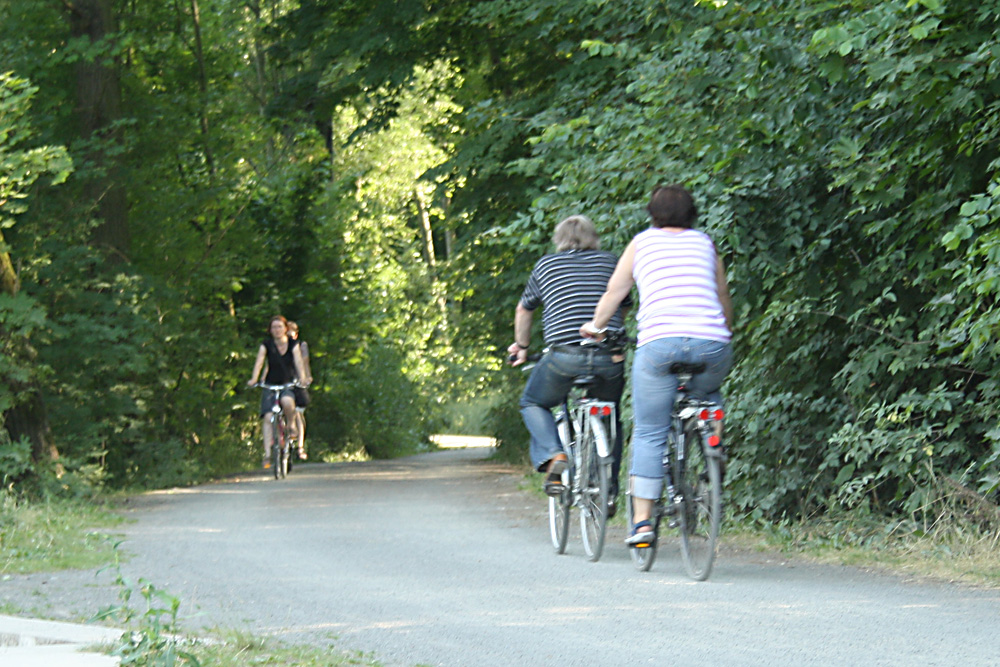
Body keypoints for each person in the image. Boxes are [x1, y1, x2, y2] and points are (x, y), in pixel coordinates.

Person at [581, 184, 733, 545]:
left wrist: (595, 327)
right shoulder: (706, 244)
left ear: (652, 213)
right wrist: (724, 329)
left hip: (659, 347)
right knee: (708, 392)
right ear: (693, 213)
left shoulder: (641, 244)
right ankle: (713, 440)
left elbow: (614, 293)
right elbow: (722, 295)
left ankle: (643, 524)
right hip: (712, 345)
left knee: (650, 431)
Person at [508, 215, 631, 512]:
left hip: (563, 356)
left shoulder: (546, 265)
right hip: (607, 356)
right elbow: (623, 305)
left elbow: (525, 309)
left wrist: (522, 347)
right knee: (610, 415)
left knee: (533, 403)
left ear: (558, 239)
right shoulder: (611, 262)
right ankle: (608, 492)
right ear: (594, 237)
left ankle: (555, 454)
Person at [247, 316, 310, 469]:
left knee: (288, 402)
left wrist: (302, 378)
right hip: (270, 384)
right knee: (268, 418)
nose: (276, 330)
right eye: (273, 327)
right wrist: (254, 379)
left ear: (285, 329)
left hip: (287, 382)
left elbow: (298, 362)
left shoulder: (293, 344)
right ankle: (268, 454)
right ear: (270, 330)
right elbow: (260, 361)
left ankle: (291, 426)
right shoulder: (266, 345)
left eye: (279, 327)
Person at [287, 321, 313, 460]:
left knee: (297, 413)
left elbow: (305, 361)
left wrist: (307, 376)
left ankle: (300, 446)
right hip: (283, 381)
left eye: (291, 331)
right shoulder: (279, 345)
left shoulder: (301, 345)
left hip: (297, 380)